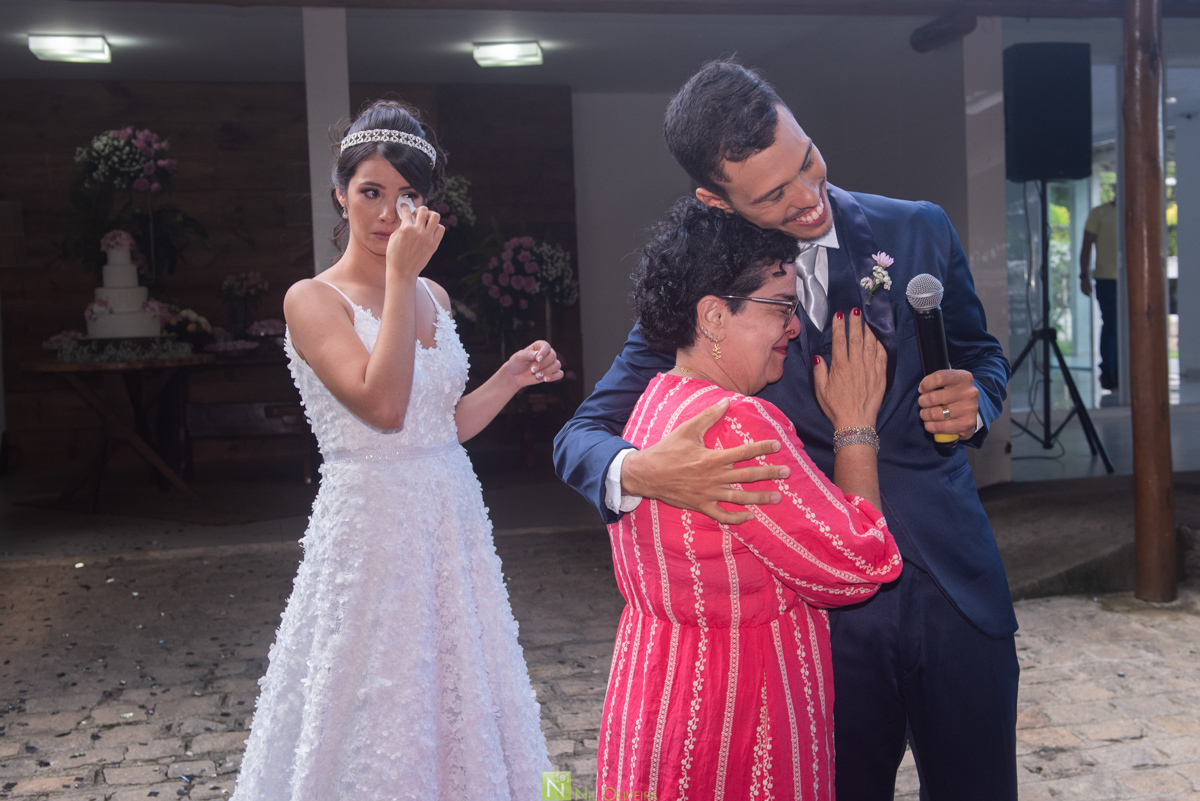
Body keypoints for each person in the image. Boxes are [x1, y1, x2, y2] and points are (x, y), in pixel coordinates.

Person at [554, 61, 1018, 799]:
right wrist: (644, 472)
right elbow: (580, 435)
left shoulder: (919, 228)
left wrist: (979, 400)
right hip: (823, 627)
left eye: (807, 161)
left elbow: (984, 354)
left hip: (954, 588)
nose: (808, 198)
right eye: (773, 193)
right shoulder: (706, 292)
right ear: (716, 197)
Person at [231, 99, 555, 800]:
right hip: (373, 526)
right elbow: (383, 407)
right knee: (381, 693)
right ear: (340, 193)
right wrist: (400, 279)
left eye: (406, 196)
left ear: (427, 205)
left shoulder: (434, 292)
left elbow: (442, 426)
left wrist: (509, 377)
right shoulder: (313, 300)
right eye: (371, 192)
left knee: (461, 684)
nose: (386, 214)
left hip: (449, 514)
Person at [596, 197, 902, 800]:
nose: (793, 326)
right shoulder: (739, 423)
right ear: (712, 316)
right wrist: (856, 425)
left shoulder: (654, 401)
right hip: (738, 718)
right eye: (781, 308)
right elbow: (861, 563)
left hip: (654, 692)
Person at [1081, 197, 1119, 390]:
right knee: (1112, 324)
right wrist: (1083, 276)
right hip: (1106, 279)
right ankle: (1109, 371)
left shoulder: (1133, 213)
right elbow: (1086, 246)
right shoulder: (1099, 213)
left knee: (1126, 326)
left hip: (1129, 280)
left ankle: (1122, 369)